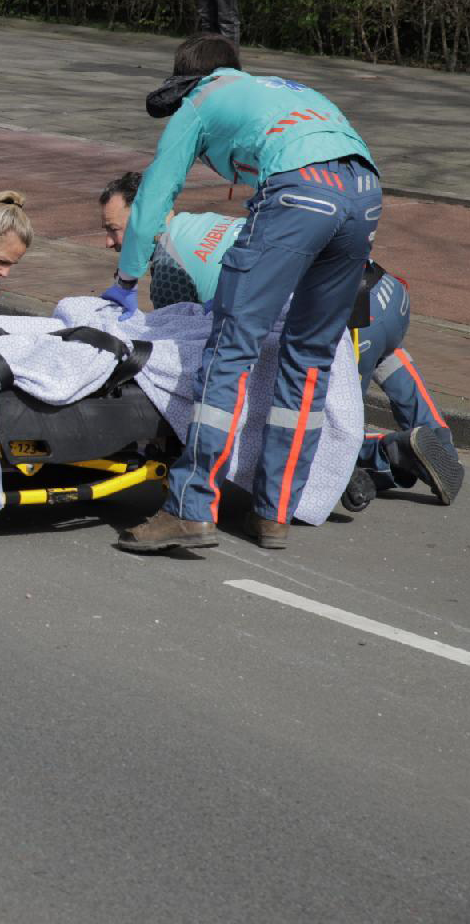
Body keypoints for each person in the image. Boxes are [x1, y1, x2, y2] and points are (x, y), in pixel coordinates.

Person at [104, 33, 383, 553]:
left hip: (300, 190)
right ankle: (274, 513)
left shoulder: (200, 99)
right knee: (309, 358)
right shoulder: (286, 89)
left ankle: (189, 508)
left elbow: (154, 195)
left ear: (188, 79)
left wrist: (124, 282)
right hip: (364, 191)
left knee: (230, 349)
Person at [97, 172, 463, 508]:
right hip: (383, 293)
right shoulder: (201, 223)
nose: (110, 242)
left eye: (115, 229)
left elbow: (184, 349)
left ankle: (393, 453)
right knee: (387, 354)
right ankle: (442, 444)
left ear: (147, 216)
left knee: (310, 424)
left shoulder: (169, 266)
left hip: (334, 317)